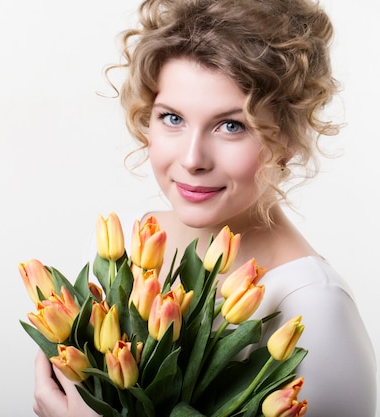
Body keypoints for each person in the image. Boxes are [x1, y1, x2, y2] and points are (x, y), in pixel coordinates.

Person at [32, 0, 377, 416]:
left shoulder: (317, 307)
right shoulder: (120, 252)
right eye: (172, 118)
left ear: (288, 135)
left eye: (231, 125)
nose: (193, 158)